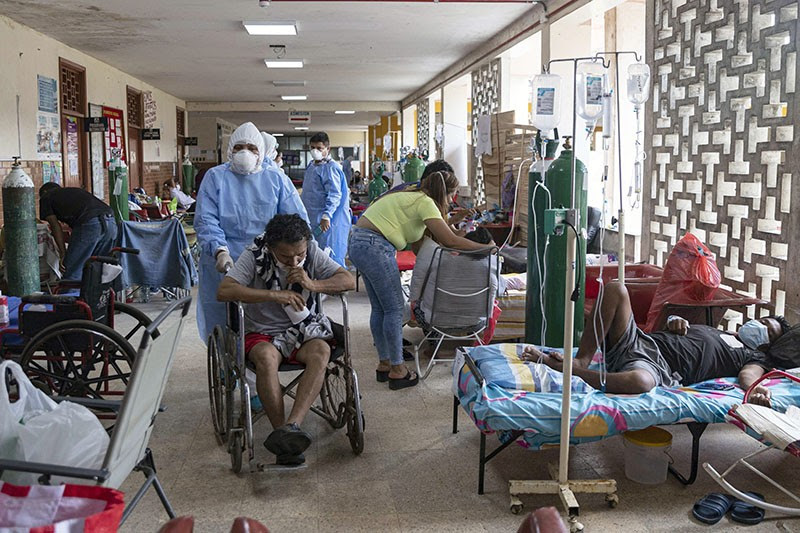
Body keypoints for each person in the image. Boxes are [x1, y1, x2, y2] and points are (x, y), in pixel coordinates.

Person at [522, 281, 799, 406]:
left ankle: (573, 371)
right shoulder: (720, 330)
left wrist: (756, 388)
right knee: (616, 288)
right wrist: (676, 321)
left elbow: (747, 376)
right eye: (763, 322)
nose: (759, 327)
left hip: (655, 366)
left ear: (767, 345)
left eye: (768, 331)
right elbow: (679, 331)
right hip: (639, 341)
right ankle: (582, 358)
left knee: (642, 383)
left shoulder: (754, 357)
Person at [217, 214, 355, 465]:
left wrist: (312, 284)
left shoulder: (311, 250)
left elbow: (348, 279)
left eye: (299, 255)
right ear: (271, 248)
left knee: (321, 352)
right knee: (266, 358)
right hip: (262, 331)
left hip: (303, 328)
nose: (294, 261)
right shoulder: (254, 254)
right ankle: (281, 431)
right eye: (285, 256)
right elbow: (225, 290)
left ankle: (291, 428)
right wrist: (273, 294)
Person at [348, 170, 493, 390]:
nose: (451, 202)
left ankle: (385, 363)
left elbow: (426, 243)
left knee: (380, 308)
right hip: (375, 246)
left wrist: (455, 225)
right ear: (446, 194)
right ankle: (398, 369)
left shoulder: (410, 195)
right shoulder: (426, 203)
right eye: (452, 196)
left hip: (359, 242)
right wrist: (488, 249)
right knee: (395, 309)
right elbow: (449, 241)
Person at [194, 121, 309, 342]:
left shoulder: (275, 178)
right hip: (226, 259)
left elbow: (295, 220)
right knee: (224, 318)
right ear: (229, 150)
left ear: (261, 151)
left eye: (252, 147)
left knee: (267, 317)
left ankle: (264, 356)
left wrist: (294, 255)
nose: (244, 152)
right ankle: (228, 363)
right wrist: (219, 250)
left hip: (269, 259)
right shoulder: (215, 177)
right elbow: (206, 219)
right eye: (238, 147)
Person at [38, 182, 117, 281]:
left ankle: (69, 295)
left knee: (71, 271)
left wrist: (63, 254)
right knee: (98, 269)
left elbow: (55, 226)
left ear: (44, 192)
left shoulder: (46, 197)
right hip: (110, 221)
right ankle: (95, 295)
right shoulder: (73, 192)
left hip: (90, 223)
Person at [301, 132, 352, 266]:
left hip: (327, 221)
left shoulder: (331, 168)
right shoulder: (312, 165)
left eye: (319, 148)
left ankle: (334, 284)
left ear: (327, 149)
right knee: (314, 255)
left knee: (329, 255)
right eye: (312, 148)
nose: (314, 151)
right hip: (312, 217)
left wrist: (327, 215)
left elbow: (335, 194)